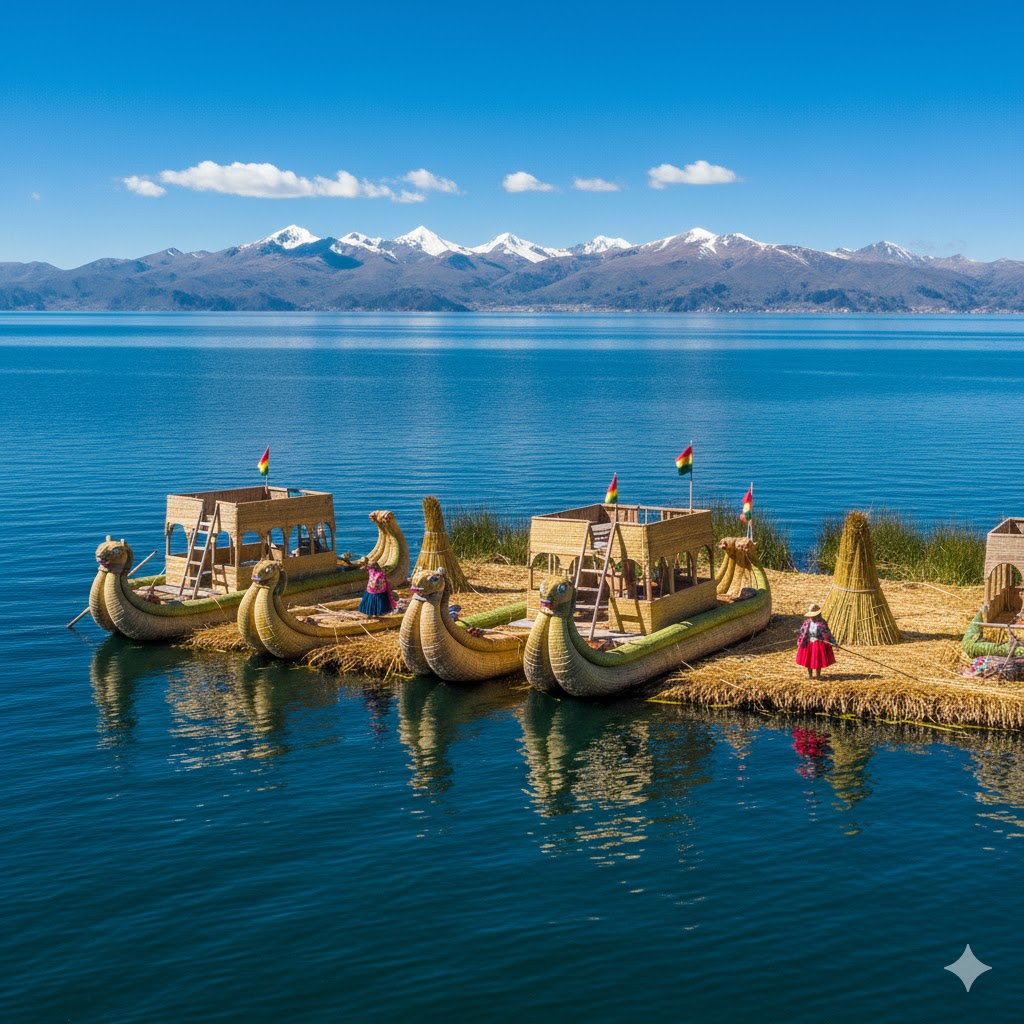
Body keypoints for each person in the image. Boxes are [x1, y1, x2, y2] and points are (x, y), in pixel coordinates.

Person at [796, 603, 836, 679]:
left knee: (818, 659)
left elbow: (827, 633)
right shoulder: (807, 622)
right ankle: (810, 675)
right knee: (808, 659)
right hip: (808, 642)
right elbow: (802, 631)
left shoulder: (822, 623)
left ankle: (818, 675)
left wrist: (833, 642)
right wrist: (801, 639)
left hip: (819, 643)